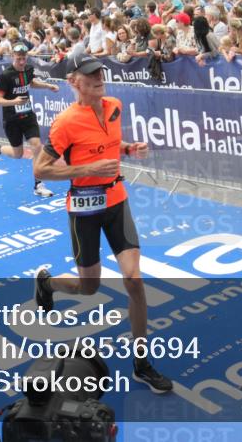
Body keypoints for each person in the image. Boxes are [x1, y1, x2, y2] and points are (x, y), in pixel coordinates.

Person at [32, 53, 173, 394]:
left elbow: (109, 144)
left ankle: (141, 364)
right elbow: (40, 170)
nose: (98, 78)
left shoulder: (113, 105)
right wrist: (86, 170)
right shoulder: (65, 122)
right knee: (90, 287)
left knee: (134, 279)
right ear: (74, 82)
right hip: (84, 209)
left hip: (116, 200)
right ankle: (48, 283)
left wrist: (128, 148)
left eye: (100, 72)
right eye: (90, 74)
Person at [0, 42, 60, 197]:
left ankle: (39, 185)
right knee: (18, 154)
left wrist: (47, 85)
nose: (22, 61)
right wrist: (14, 101)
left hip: (28, 115)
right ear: (13, 56)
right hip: (12, 119)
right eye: (19, 58)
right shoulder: (6, 75)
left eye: (24, 58)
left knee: (36, 146)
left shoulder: (28, 69)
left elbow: (31, 82)